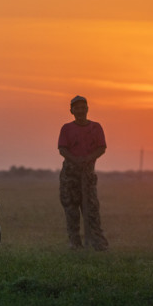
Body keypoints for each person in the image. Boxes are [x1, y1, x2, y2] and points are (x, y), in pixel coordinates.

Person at [57, 96, 109, 251]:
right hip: (70, 176)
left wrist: (88, 159)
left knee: (92, 210)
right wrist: (76, 160)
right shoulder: (66, 128)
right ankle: (75, 244)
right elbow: (62, 149)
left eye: (82, 108)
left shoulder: (96, 127)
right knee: (71, 211)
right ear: (71, 111)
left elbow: (101, 148)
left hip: (88, 174)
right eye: (76, 108)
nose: (80, 111)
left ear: (87, 109)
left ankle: (99, 245)